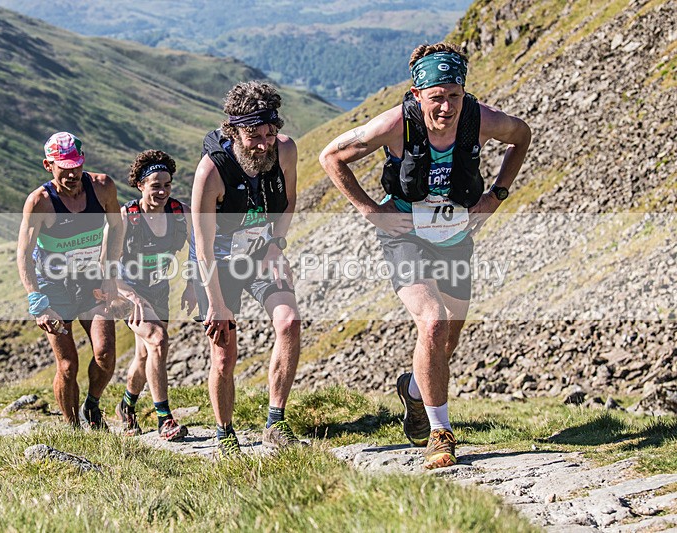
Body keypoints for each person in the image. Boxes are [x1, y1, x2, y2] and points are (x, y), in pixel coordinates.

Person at [319, 43, 531, 469]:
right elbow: (331, 156)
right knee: (432, 322)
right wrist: (369, 210)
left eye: (454, 95)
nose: (447, 106)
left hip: (455, 236)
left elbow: (522, 135)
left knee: (446, 340)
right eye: (436, 96)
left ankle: (414, 393)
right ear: (418, 95)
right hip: (404, 235)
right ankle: (440, 434)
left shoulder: (480, 118)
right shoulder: (396, 124)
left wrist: (497, 195)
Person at [191, 81, 303, 456]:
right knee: (224, 353)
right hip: (217, 263)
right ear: (233, 130)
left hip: (260, 254)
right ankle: (225, 434)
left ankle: (276, 422)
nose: (263, 144)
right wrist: (216, 304)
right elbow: (202, 246)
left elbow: (288, 201)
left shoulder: (284, 150)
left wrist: (276, 244)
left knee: (289, 322)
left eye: (270, 133)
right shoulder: (212, 171)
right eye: (253, 136)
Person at [17, 132, 123, 429]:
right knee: (67, 364)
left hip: (91, 282)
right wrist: (37, 303)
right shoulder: (39, 202)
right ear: (48, 165)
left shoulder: (102, 187)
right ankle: (73, 427)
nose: (73, 173)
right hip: (54, 288)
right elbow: (24, 255)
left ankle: (92, 405)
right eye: (64, 167)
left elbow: (117, 228)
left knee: (104, 354)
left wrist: (110, 274)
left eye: (77, 164)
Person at [113, 149, 196, 440]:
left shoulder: (179, 212)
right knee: (159, 341)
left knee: (143, 355)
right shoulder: (127, 216)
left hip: (160, 292)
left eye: (167, 184)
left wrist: (193, 283)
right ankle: (165, 418)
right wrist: (129, 295)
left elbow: (201, 248)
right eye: (155, 185)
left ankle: (126, 406)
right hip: (127, 294)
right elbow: (105, 265)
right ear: (140, 185)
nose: (162, 191)